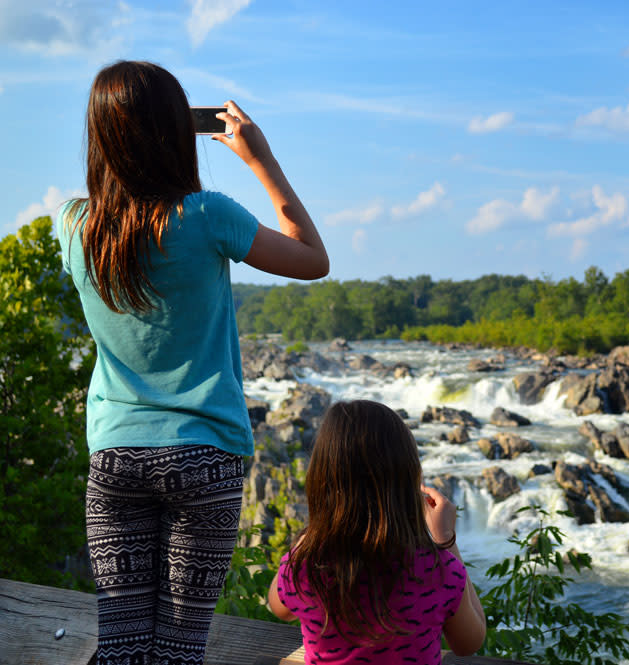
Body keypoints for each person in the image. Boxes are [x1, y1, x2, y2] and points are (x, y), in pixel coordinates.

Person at [57, 60, 329, 665]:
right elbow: (314, 259)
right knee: (178, 652)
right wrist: (261, 160)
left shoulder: (73, 226)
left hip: (116, 456)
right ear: (172, 132)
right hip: (204, 457)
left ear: (103, 135)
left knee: (122, 648)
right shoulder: (206, 215)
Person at [267, 400, 487, 664]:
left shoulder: (306, 566)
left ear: (321, 481)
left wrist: (314, 532)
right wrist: (445, 539)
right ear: (409, 481)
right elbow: (469, 643)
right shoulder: (438, 569)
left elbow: (279, 608)